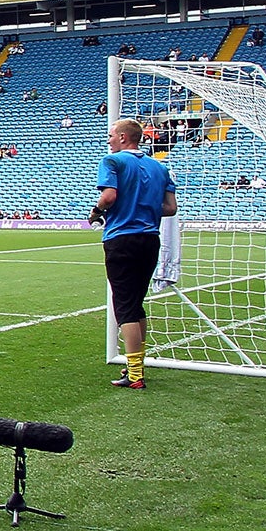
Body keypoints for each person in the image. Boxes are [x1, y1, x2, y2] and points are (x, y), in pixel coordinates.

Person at [92, 118, 178, 389]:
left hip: (122, 239)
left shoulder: (113, 162)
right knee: (137, 302)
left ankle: (135, 374)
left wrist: (95, 212)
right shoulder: (160, 167)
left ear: (123, 137)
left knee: (125, 306)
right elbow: (171, 208)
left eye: (111, 135)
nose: (108, 140)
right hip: (150, 239)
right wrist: (145, 208)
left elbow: (109, 197)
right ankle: (138, 367)